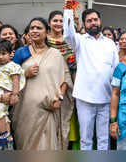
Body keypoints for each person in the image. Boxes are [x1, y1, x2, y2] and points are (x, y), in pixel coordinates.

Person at [63, 0, 119, 150]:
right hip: (85, 98)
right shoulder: (79, 41)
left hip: (106, 98)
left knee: (103, 140)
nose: (93, 23)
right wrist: (68, 4)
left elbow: (115, 70)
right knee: (86, 139)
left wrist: (116, 95)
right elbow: (67, 32)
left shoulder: (110, 43)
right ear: (85, 24)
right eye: (89, 21)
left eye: (95, 19)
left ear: (100, 21)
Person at [12, 17, 73, 150]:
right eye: (32, 28)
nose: (34, 30)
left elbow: (66, 78)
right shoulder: (21, 53)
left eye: (38, 28)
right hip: (25, 111)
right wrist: (24, 74)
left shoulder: (55, 54)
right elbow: (8, 78)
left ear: (47, 32)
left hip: (49, 108)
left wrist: (60, 98)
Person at [47, 10, 79, 149]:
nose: (58, 24)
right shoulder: (45, 41)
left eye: (62, 21)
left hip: (70, 84)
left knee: (66, 120)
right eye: (55, 20)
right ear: (49, 23)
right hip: (49, 83)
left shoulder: (71, 41)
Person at [0, 39, 25, 149]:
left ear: (10, 54)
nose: (0, 57)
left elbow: (15, 81)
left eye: (4, 54)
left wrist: (15, 94)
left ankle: (2, 135)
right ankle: (8, 135)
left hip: (5, 92)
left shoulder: (12, 66)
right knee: (3, 114)